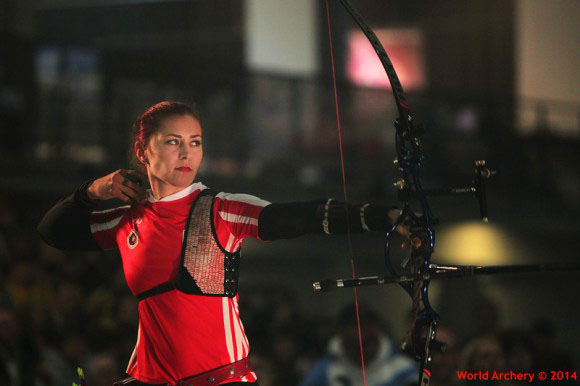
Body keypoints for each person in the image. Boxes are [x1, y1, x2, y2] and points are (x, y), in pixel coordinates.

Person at [38, 101, 407, 385]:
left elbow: (298, 216)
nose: (187, 153)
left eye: (195, 142)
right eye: (172, 142)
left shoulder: (220, 209)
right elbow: (53, 231)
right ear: (141, 150)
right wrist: (93, 189)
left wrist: (382, 217)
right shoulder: (127, 218)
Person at [300, 304, 417, 386]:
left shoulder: (403, 369)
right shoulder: (323, 371)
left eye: (368, 325)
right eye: (356, 326)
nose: (362, 334)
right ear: (342, 333)